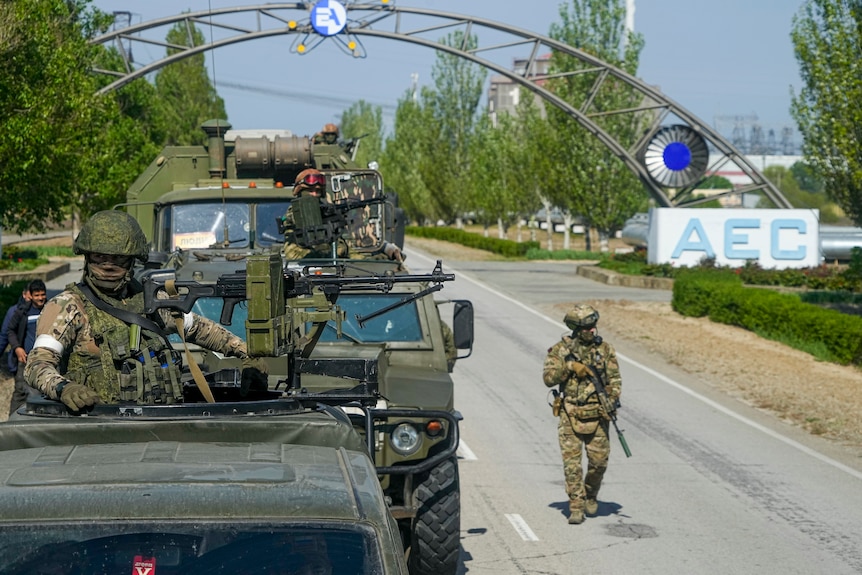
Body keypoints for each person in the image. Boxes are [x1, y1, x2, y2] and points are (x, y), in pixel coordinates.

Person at [24, 210, 267, 411]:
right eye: (100, 258)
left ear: (132, 261)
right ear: (87, 258)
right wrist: (64, 388)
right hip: (99, 426)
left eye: (118, 259)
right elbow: (37, 366)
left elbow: (200, 329)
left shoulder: (149, 299)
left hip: (162, 421)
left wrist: (248, 355)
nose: (108, 267)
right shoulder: (68, 306)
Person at [542, 303, 622, 525]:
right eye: (587, 328)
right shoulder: (560, 351)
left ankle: (591, 493)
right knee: (572, 465)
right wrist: (569, 368)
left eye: (593, 327)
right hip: (570, 413)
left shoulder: (605, 350)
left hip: (597, 414)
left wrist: (610, 400)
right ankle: (576, 505)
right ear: (576, 329)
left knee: (599, 463)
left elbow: (615, 380)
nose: (592, 331)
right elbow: (548, 378)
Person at [283, 169, 403, 263]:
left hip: (331, 260)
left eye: (318, 191)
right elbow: (294, 220)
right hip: (302, 260)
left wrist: (369, 259)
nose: (314, 194)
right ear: (300, 191)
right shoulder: (295, 211)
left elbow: (344, 248)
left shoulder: (326, 211)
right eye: (310, 190)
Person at [6, 279, 47, 414]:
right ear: (30, 295)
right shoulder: (23, 311)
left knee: (42, 392)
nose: (40, 298)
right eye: (37, 295)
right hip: (25, 359)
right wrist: (17, 348)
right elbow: (10, 330)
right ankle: (12, 422)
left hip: (45, 359)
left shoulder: (50, 309)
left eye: (42, 294)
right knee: (20, 392)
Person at [0, 286, 30, 376]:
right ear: (24, 295)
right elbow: (4, 335)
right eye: (30, 297)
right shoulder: (14, 311)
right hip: (19, 360)